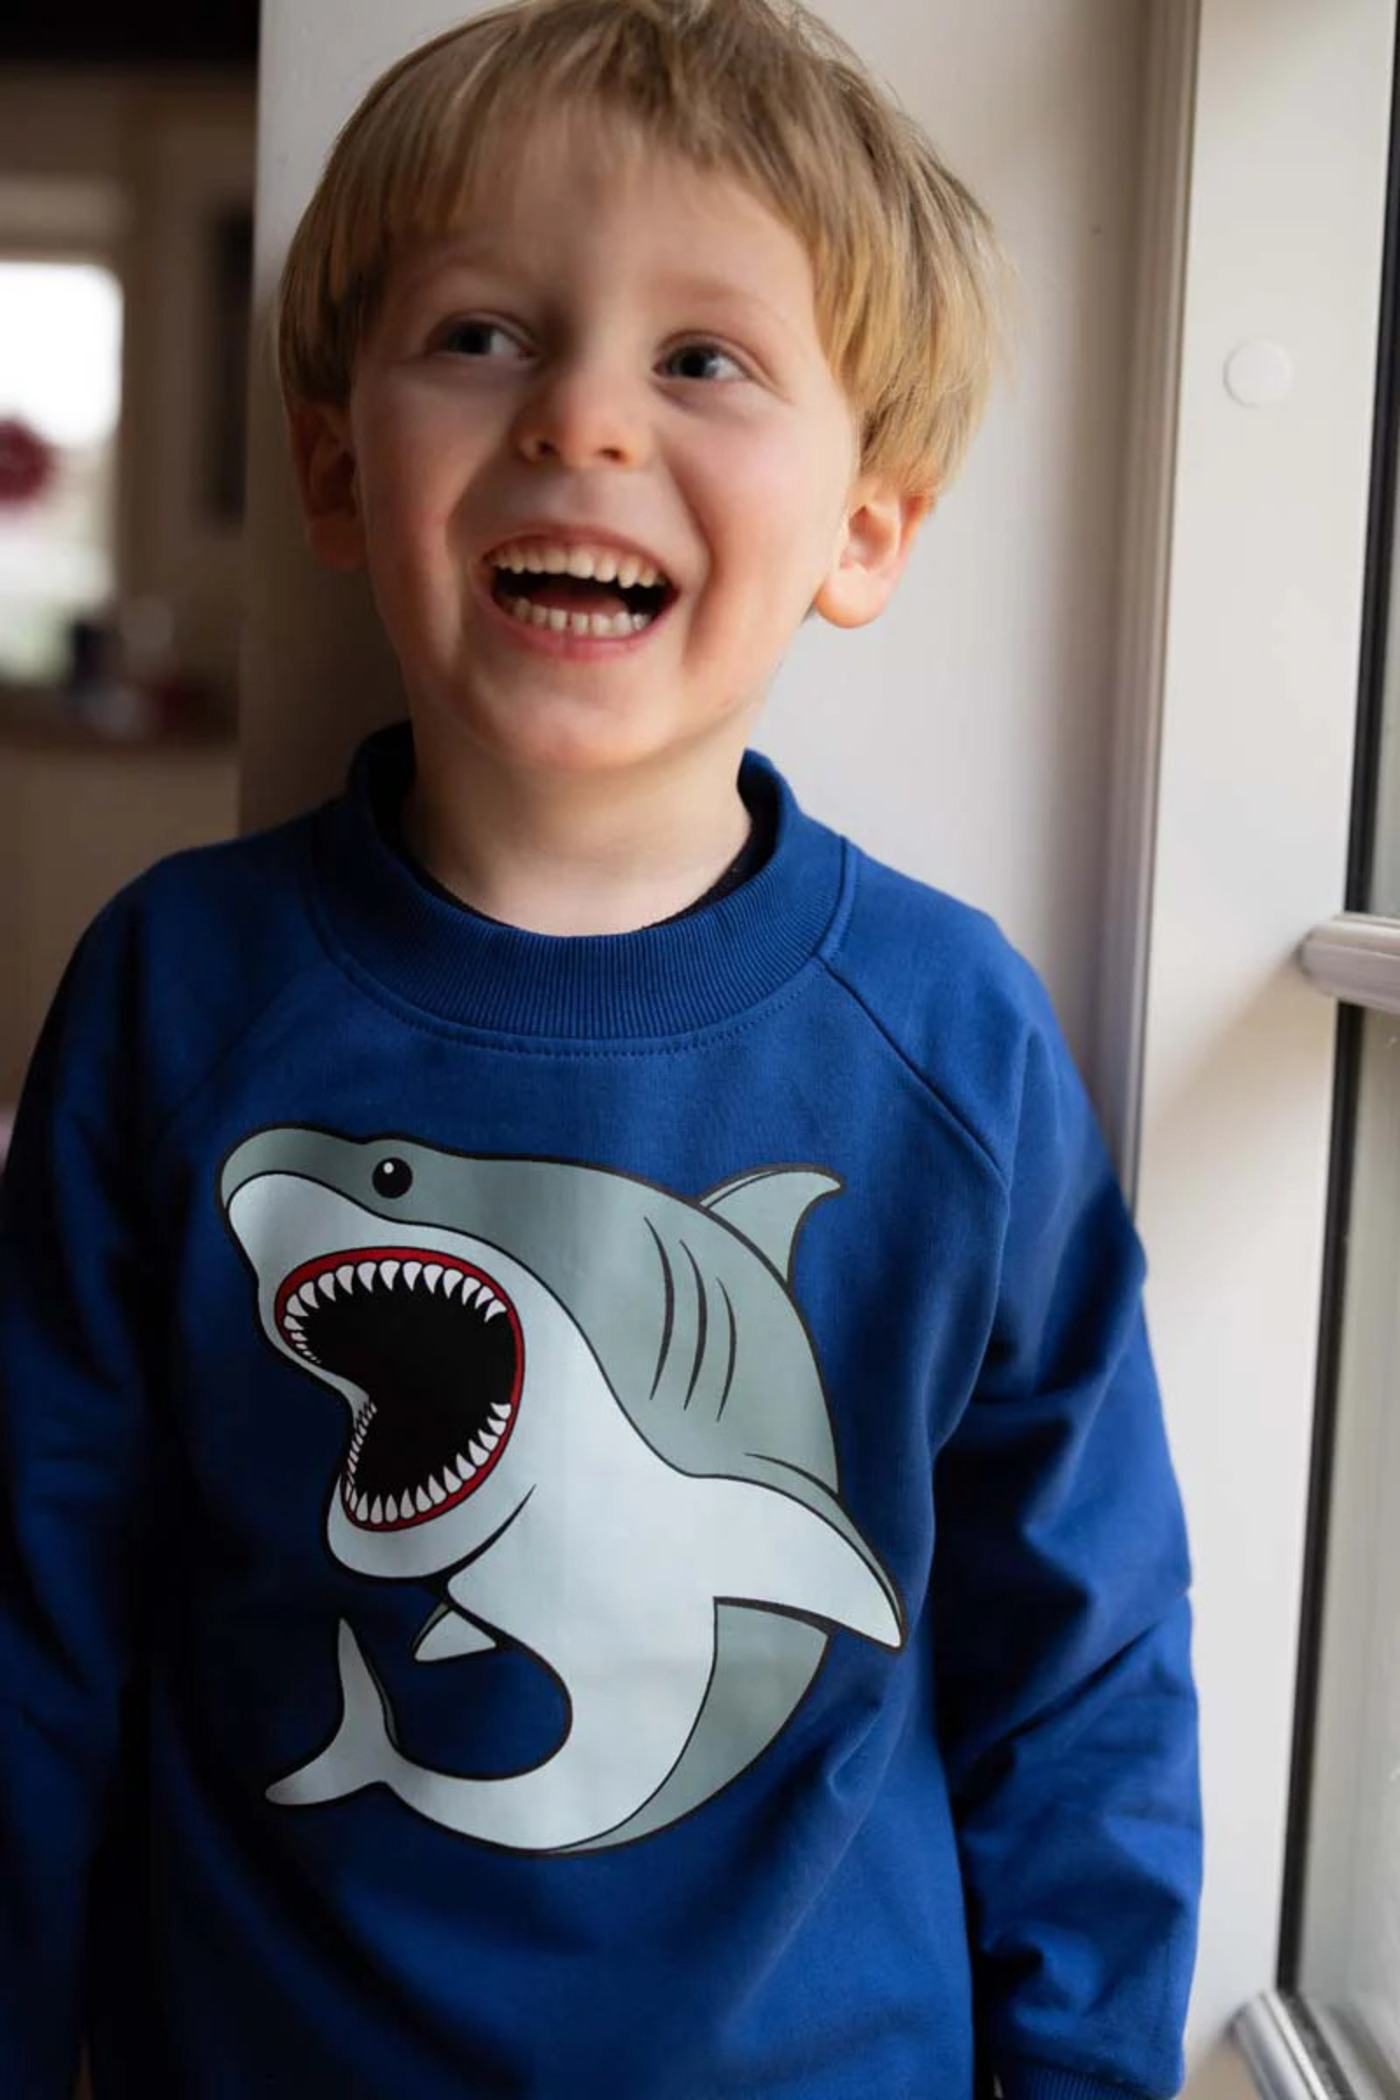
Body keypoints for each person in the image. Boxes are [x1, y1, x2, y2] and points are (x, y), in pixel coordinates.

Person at [0, 0, 1202, 2093]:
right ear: (334, 463)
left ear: (867, 527)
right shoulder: (172, 990)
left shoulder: (952, 1039)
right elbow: (33, 1617)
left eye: (702, 360)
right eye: (481, 334)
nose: (580, 420)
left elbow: (1083, 1677)